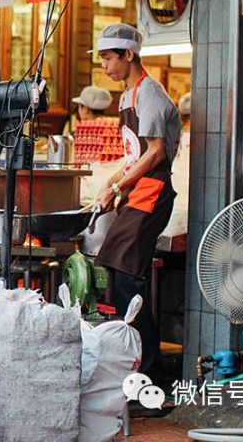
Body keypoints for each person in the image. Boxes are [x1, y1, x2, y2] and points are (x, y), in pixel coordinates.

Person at [92, 23, 181, 388]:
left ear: (129, 55)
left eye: (109, 59)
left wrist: (119, 183)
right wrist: (111, 182)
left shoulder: (150, 95)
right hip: (136, 192)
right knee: (121, 275)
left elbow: (156, 151)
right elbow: (134, 154)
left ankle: (151, 372)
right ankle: (136, 364)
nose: (105, 67)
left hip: (152, 192)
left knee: (127, 276)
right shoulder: (127, 96)